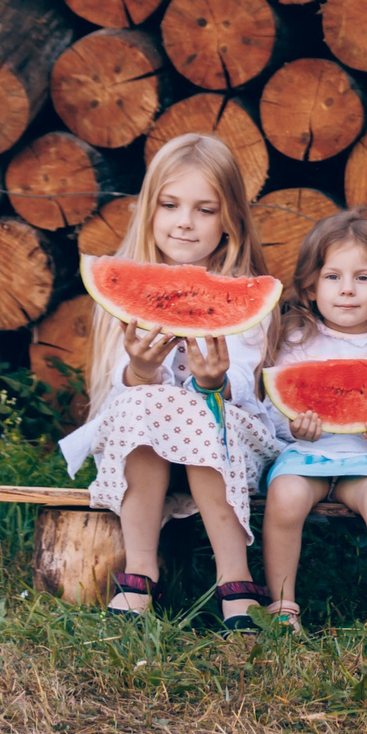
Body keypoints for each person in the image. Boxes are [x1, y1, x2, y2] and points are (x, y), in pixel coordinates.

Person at [57, 133, 280, 628]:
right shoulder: (122, 297)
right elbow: (118, 394)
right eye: (171, 205)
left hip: (229, 443)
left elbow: (245, 383)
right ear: (149, 211)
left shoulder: (245, 299)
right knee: (142, 403)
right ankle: (139, 573)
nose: (185, 221)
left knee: (199, 407)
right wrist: (138, 369)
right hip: (144, 451)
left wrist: (217, 382)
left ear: (230, 221)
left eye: (205, 209)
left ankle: (234, 578)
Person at [248, 210, 367, 643]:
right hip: (306, 456)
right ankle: (281, 605)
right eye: (333, 277)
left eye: (363, 278)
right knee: (285, 495)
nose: (347, 290)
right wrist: (294, 429)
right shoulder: (295, 346)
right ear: (311, 288)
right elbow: (273, 413)